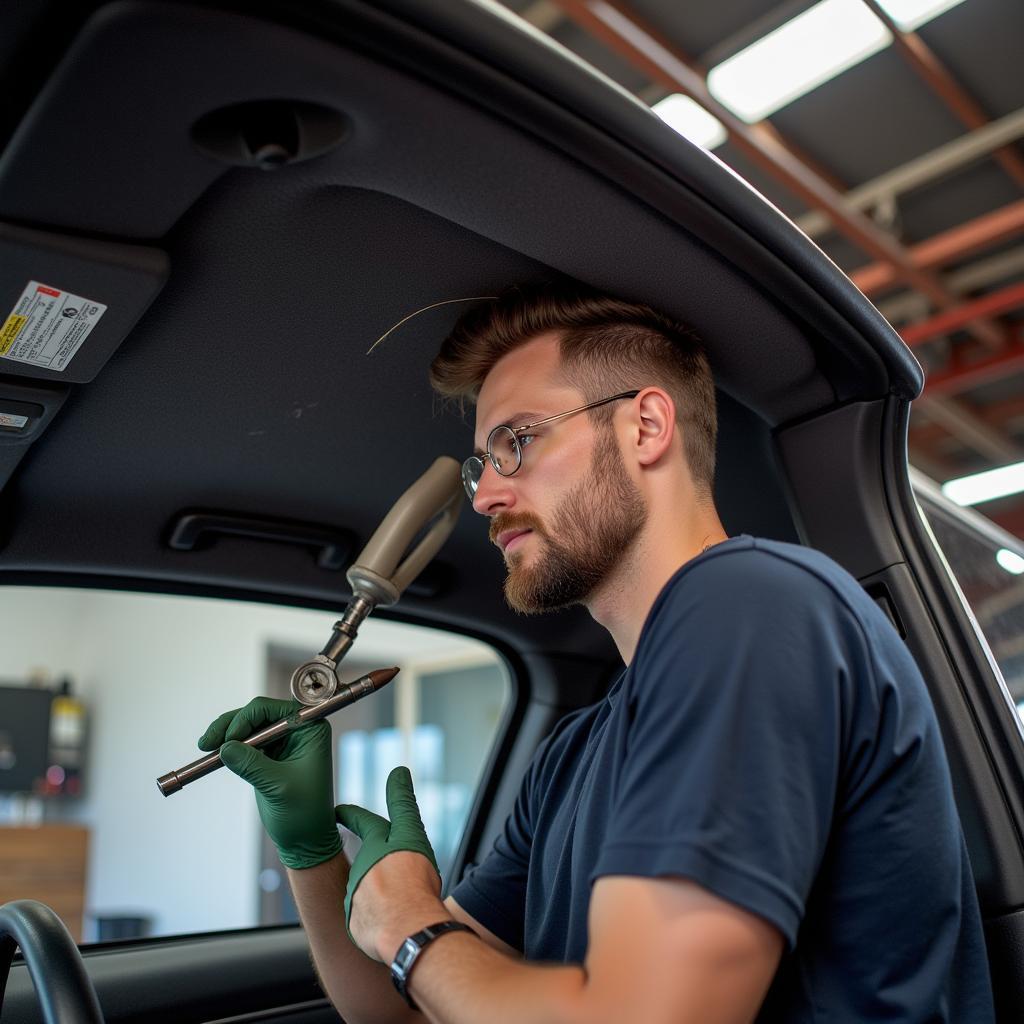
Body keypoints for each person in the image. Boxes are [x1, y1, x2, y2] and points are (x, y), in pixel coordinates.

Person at [200, 280, 995, 1023]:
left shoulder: (753, 603)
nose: (483, 494)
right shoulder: (574, 755)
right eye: (483, 460)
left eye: (518, 440)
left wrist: (412, 922)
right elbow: (404, 1008)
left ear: (645, 427)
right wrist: (311, 854)